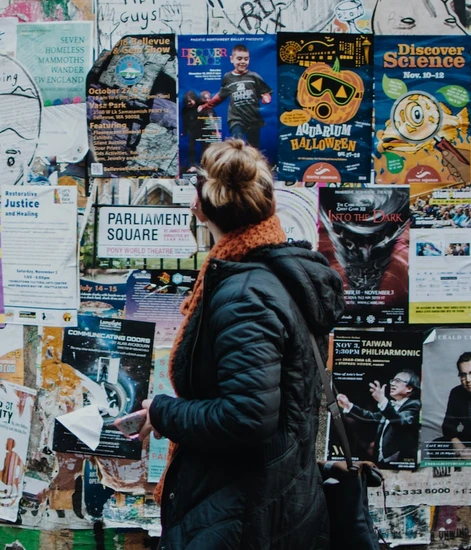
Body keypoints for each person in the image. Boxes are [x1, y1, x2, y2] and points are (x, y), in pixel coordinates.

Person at [131, 140, 342, 548]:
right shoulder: (277, 272)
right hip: (271, 498)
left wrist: (164, 412)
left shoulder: (246, 294)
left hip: (242, 513)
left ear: (201, 208)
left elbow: (246, 416)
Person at [337, 370, 421, 467]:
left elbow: (401, 421)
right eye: (392, 381)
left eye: (397, 381)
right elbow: (371, 417)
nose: (393, 384)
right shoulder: (391, 407)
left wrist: (382, 400)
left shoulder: (414, 405)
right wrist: (348, 405)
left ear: (409, 388)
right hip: (380, 460)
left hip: (399, 461)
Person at [197, 45, 272, 148]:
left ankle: (251, 163)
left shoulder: (254, 76)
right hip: (236, 118)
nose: (243, 62)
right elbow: (220, 96)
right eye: (239, 58)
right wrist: (206, 106)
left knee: (253, 147)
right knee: (238, 143)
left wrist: (266, 97)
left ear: (249, 59)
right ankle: (237, 163)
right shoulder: (228, 77)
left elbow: (265, 91)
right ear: (231, 59)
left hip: (253, 118)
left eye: (246, 59)